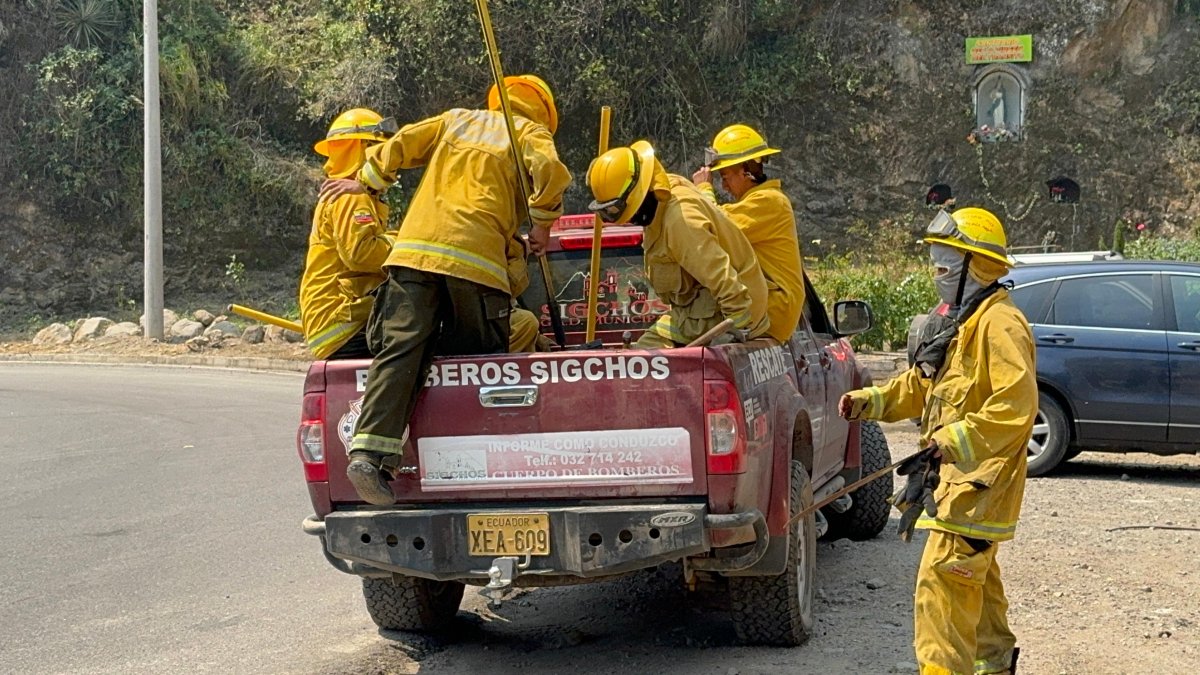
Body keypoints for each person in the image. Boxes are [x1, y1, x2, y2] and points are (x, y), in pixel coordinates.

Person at [321, 75, 572, 505]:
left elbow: (403, 142)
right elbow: (549, 172)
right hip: (475, 262)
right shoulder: (527, 132)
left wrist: (368, 181)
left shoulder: (457, 120)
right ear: (544, 116)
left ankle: (368, 451)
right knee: (474, 362)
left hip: (413, 253)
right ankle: (471, 466)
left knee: (402, 349)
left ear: (496, 100)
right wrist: (543, 225)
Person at [838, 207, 1035, 675]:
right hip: (960, 486)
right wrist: (869, 401)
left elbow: (1016, 409)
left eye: (947, 264)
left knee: (941, 589)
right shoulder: (962, 323)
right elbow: (922, 387)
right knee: (975, 585)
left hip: (978, 488)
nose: (937, 273)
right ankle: (995, 665)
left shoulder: (1000, 325)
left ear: (978, 266)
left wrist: (954, 440)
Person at [586, 140, 769, 347]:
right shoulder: (660, 199)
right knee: (639, 356)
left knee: (643, 365)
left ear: (639, 195)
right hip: (695, 311)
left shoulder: (680, 220)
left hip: (728, 312)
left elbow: (722, 278)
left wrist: (735, 332)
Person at [692, 124, 805, 342]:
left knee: (682, 327)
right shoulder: (757, 202)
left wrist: (703, 190)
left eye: (725, 177)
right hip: (769, 307)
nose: (723, 186)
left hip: (773, 308)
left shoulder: (770, 201)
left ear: (746, 171)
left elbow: (715, 228)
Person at [299, 108, 397, 360]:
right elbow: (362, 254)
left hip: (336, 320)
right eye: (381, 151)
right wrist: (404, 244)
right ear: (364, 150)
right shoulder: (351, 197)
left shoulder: (353, 193)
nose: (391, 163)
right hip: (343, 323)